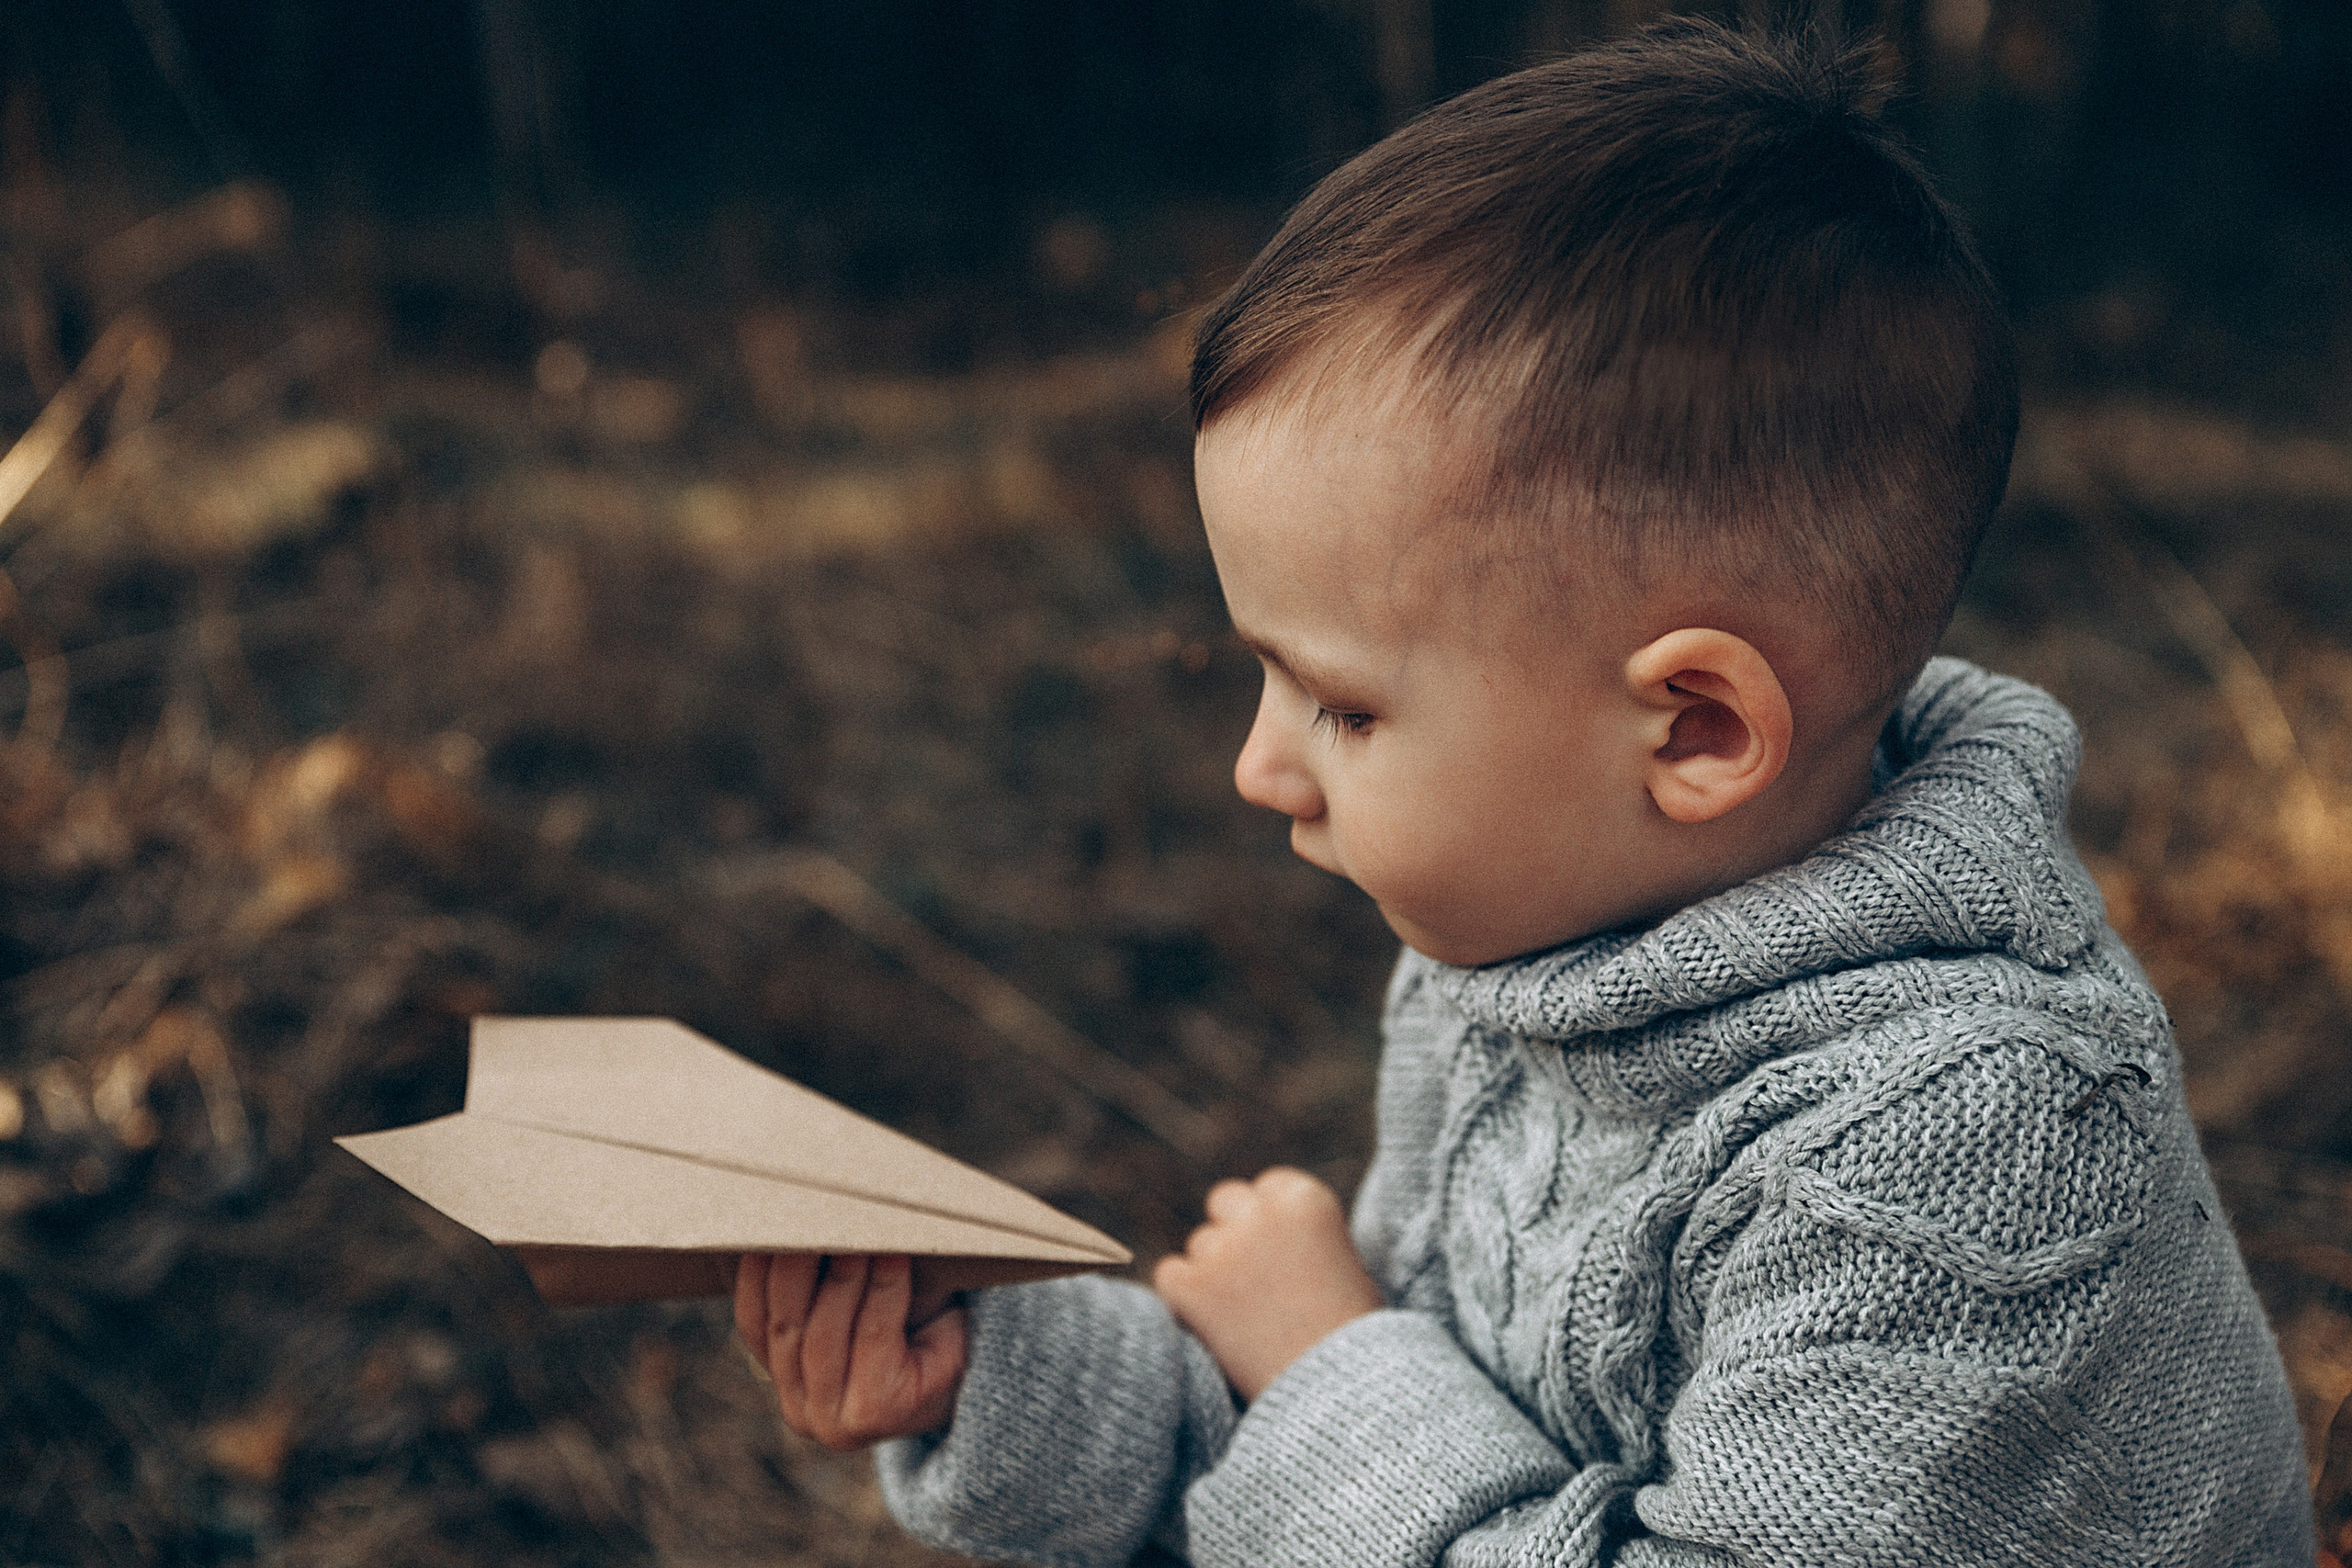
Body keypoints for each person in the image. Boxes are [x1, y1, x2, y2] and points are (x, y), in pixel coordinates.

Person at [734, 18, 2314, 1564]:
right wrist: (999, 1378)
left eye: (1342, 705)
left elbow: (1362, 1426)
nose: (1256, 766)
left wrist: (1327, 1362)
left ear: (1694, 732)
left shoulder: (1975, 1145)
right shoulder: (1543, 952)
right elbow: (1356, 1476)